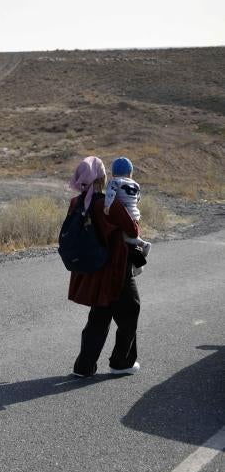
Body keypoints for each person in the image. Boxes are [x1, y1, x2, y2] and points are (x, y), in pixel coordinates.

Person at [67, 156, 142, 378]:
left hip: (93, 270)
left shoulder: (76, 202)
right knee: (131, 311)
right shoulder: (108, 205)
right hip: (117, 269)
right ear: (102, 177)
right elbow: (133, 230)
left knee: (99, 315)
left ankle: (84, 366)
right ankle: (122, 362)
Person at [104, 157, 151, 274]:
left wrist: (107, 206)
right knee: (129, 241)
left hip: (125, 215)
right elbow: (137, 199)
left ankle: (143, 245)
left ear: (113, 173)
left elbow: (110, 193)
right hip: (135, 216)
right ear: (130, 173)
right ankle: (138, 264)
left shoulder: (115, 181)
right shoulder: (136, 185)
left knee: (125, 238)